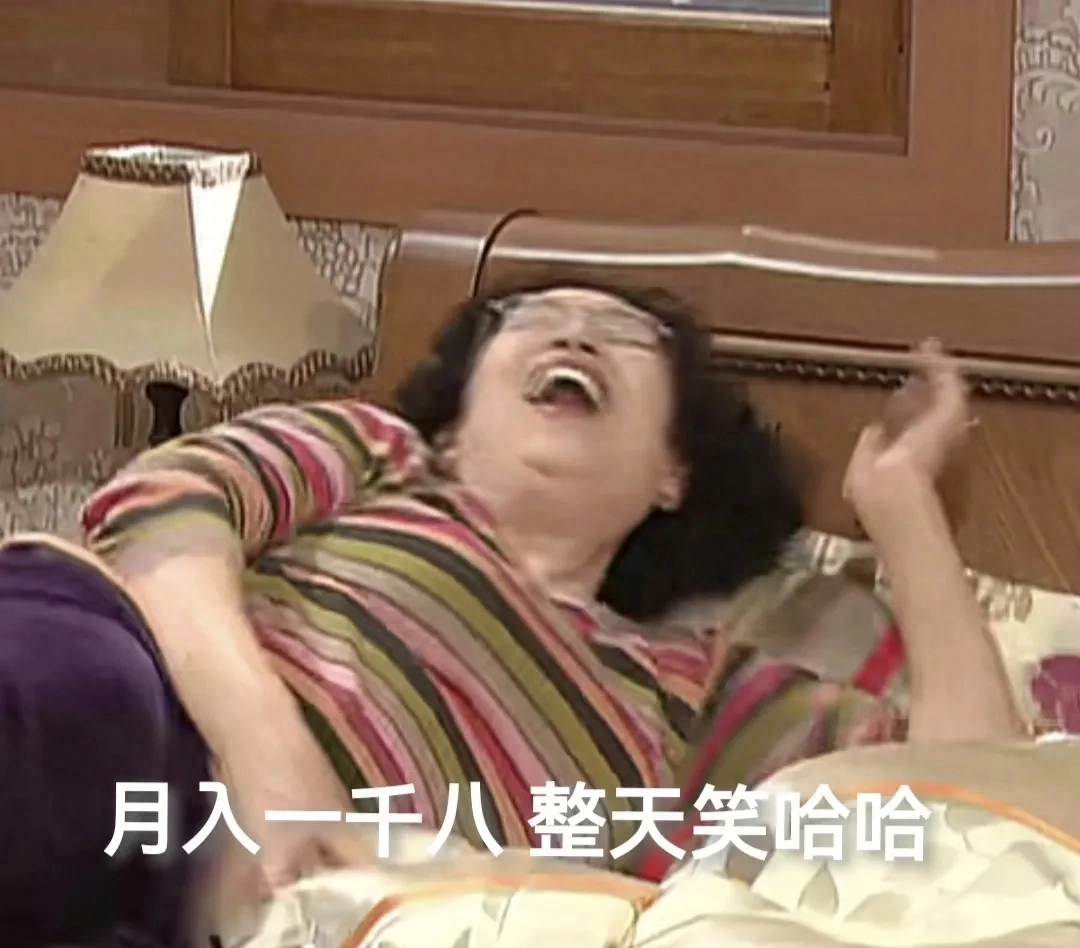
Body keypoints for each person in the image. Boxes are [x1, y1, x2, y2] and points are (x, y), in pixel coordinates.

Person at [0, 281, 1023, 947]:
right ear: (455, 424)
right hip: (140, 700)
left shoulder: (695, 698)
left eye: (625, 335)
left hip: (254, 911)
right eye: (530, 317)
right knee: (78, 697)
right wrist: (267, 747)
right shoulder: (383, 456)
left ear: (674, 469)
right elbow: (161, 507)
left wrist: (903, 505)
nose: (574, 332)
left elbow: (977, 805)